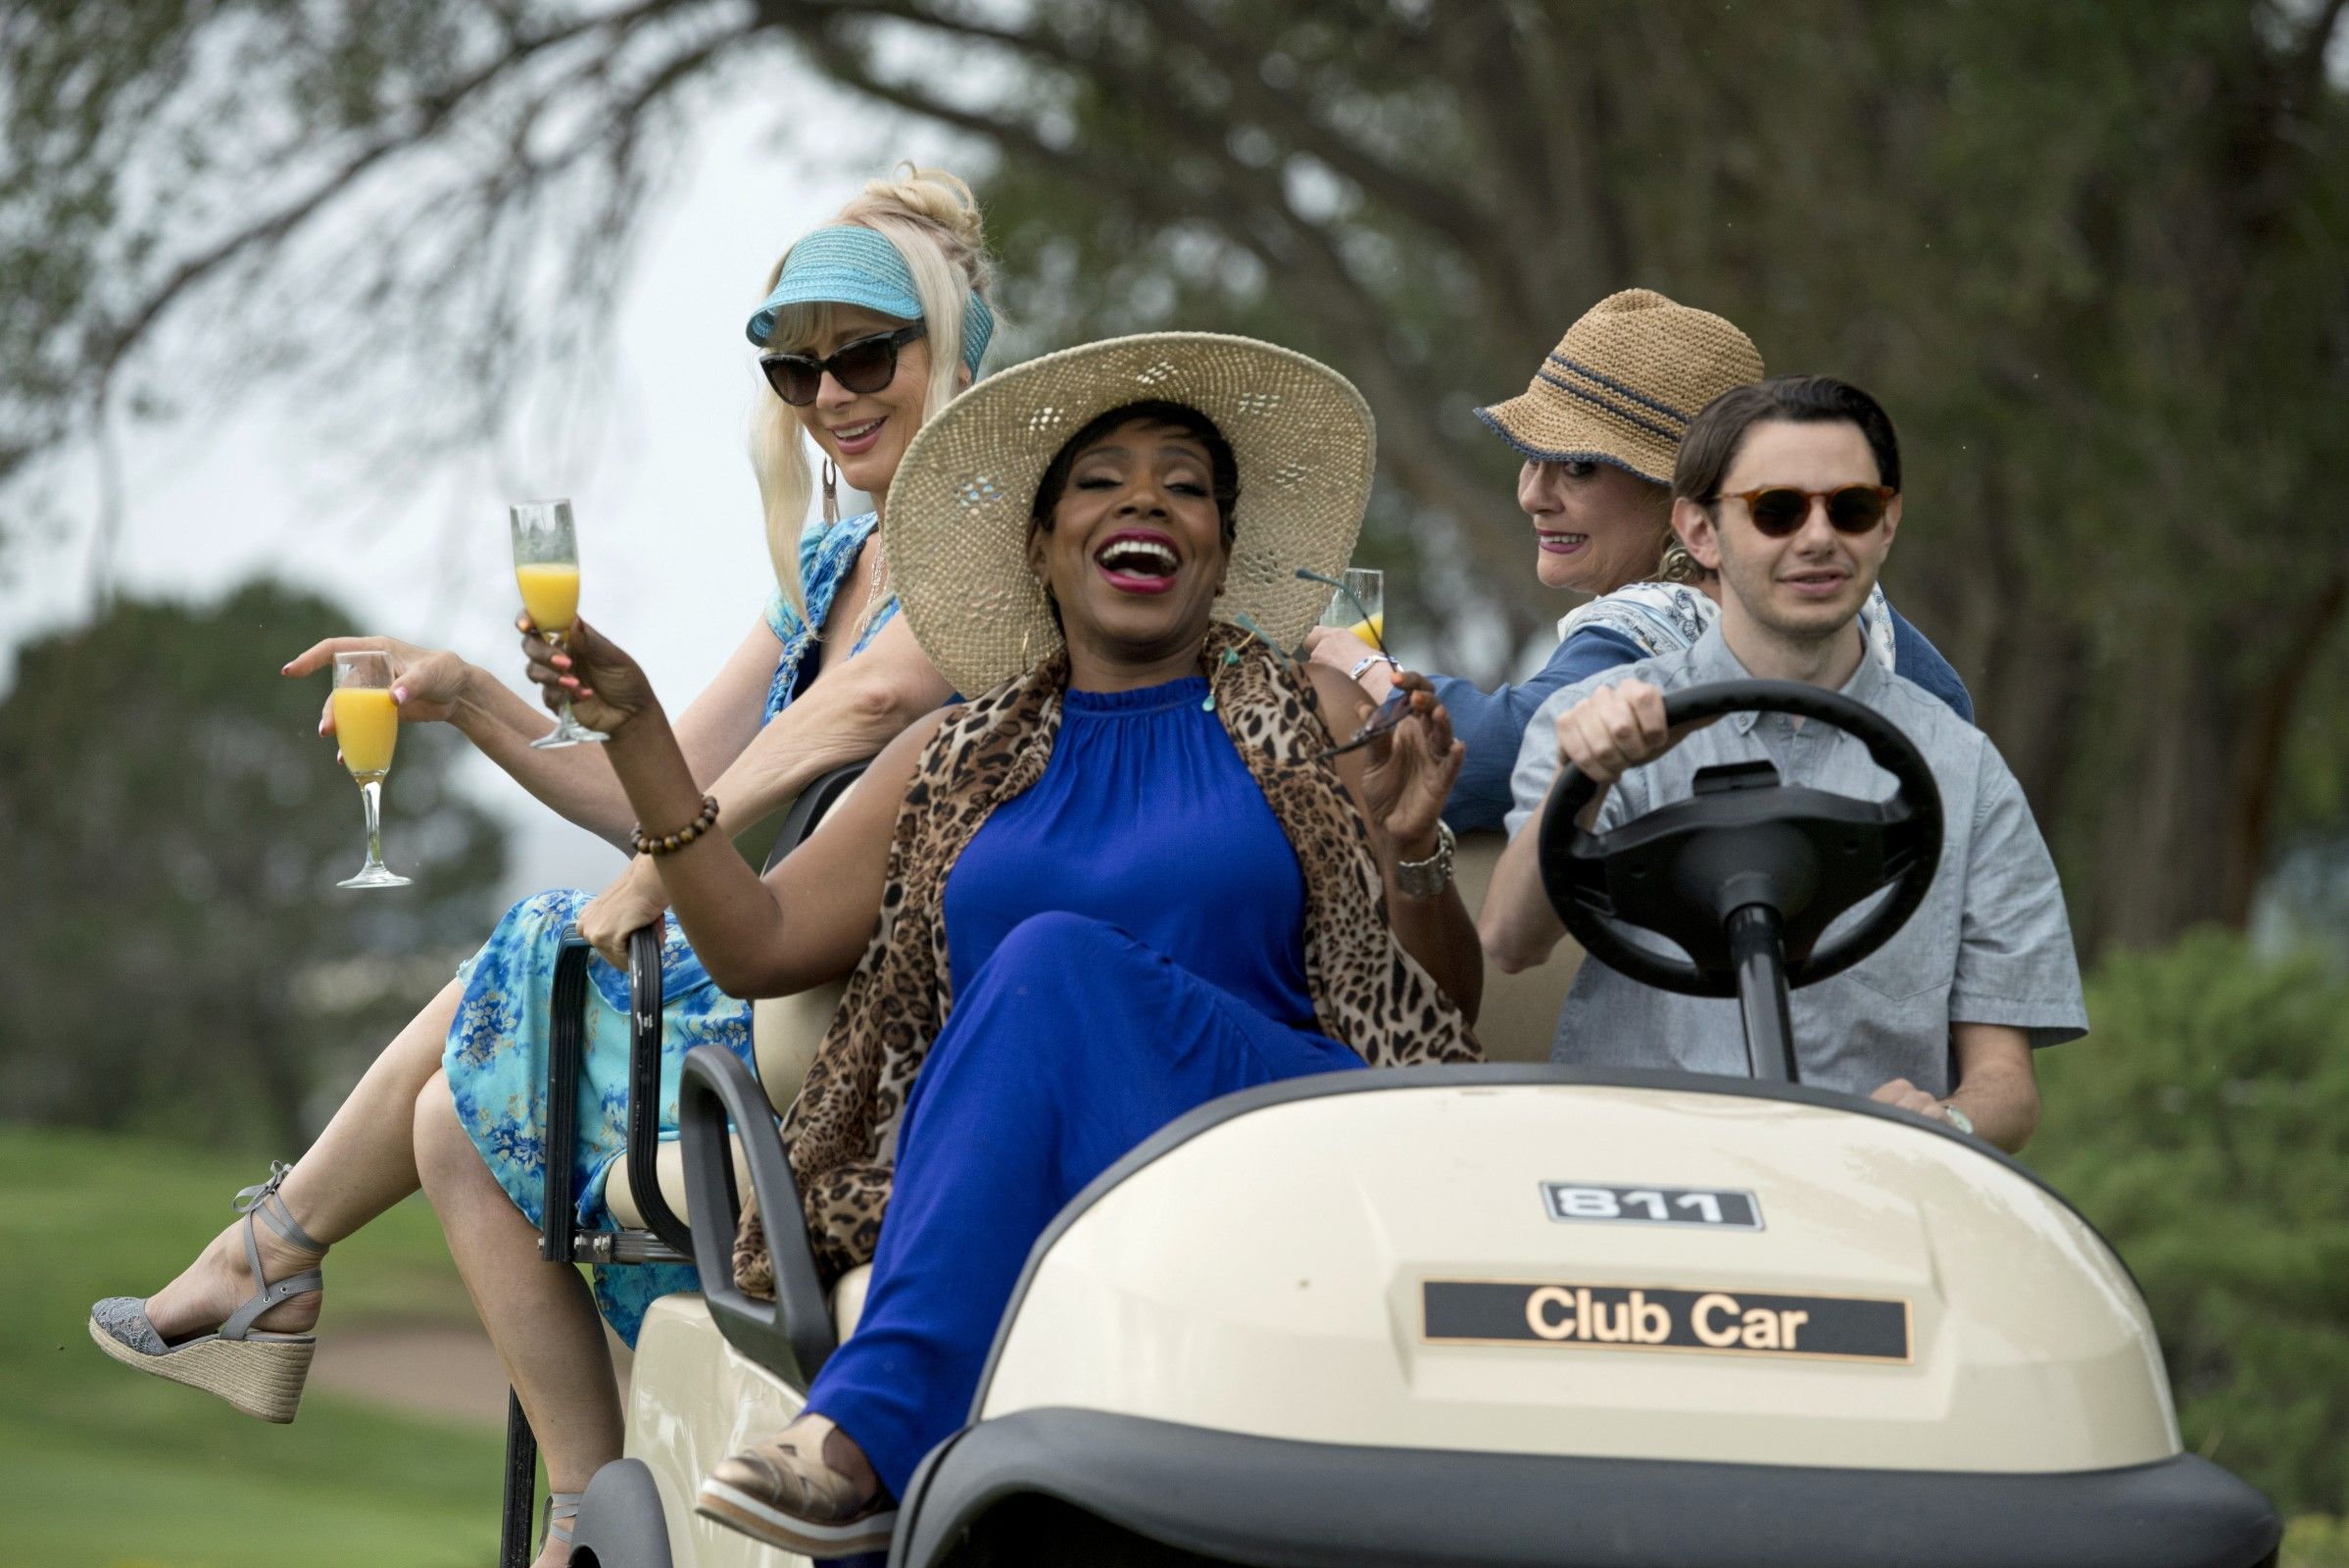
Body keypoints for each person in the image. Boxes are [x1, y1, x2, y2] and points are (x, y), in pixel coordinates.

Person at [89, 166, 993, 1567]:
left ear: (953, 353)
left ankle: (270, 1254)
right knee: (452, 1122)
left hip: (880, 1015)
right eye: (798, 367)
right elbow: (654, 792)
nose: (830, 394)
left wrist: (666, 864)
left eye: (866, 355)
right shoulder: (831, 566)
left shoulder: (985, 536)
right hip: (773, 990)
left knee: (540, 940)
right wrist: (470, 699)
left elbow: (871, 704)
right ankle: (586, 1517)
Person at [518, 332, 1485, 1555]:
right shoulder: (950, 758)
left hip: (1264, 1140)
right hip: (1029, 1163)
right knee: (1047, 971)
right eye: (1102, 482)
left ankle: (866, 1433)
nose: (1145, 502)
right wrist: (641, 734)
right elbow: (757, 944)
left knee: (1051, 961)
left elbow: (1437, 1017)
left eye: (1185, 486)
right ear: (1040, 545)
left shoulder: (1316, 712)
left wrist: (1415, 849)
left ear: (1222, 548)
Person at [1480, 374, 2083, 1152]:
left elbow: (2005, 1085)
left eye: (1850, 508)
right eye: (1776, 510)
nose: (1818, 538)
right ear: (1699, 532)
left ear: (1887, 523)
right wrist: (1586, 778)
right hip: (1641, 1171)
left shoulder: (1963, 769)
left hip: (1860, 1179)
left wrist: (1944, 1124)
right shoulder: (1598, 720)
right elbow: (1511, 941)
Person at [1304, 288, 1974, 832]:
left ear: (1683, 500)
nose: (1533, 495)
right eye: (1530, 459)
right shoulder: (1859, 614)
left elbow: (1474, 766)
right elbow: (1953, 729)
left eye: (1578, 467)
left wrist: (1357, 668)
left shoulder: (1655, 621)